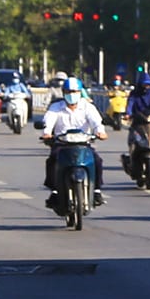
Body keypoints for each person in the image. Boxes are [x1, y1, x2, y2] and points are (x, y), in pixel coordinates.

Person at [41, 77, 108, 209]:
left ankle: (97, 191)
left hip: (83, 145)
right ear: (63, 92)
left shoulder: (87, 107)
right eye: (68, 91)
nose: (72, 94)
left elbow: (96, 123)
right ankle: (54, 191)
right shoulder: (56, 107)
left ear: (80, 92)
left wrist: (100, 132)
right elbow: (48, 122)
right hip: (62, 145)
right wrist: (47, 133)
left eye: (75, 91)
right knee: (52, 161)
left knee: (97, 161)